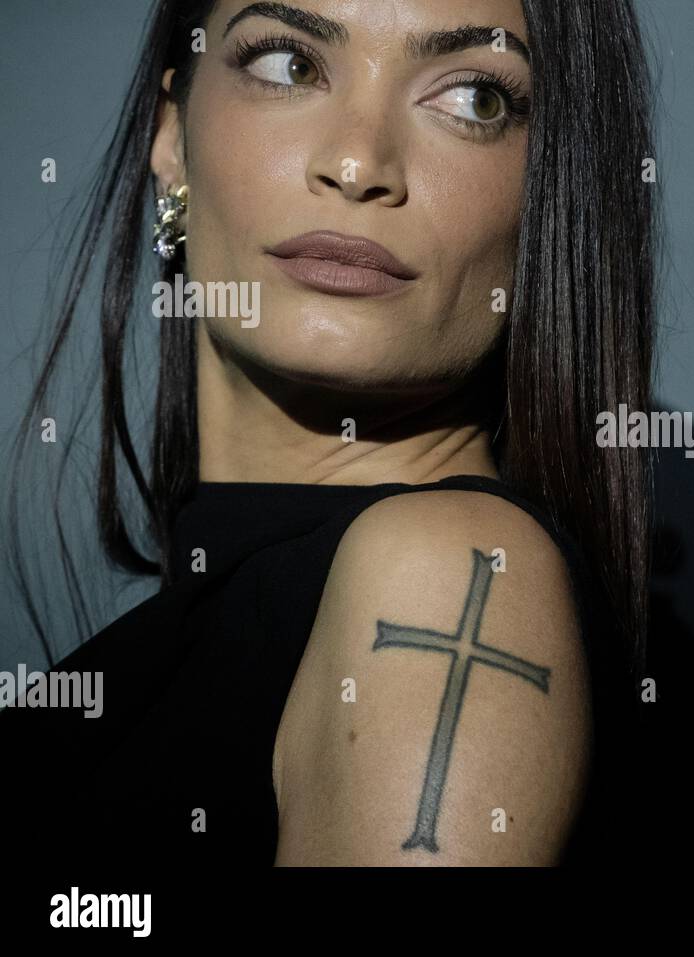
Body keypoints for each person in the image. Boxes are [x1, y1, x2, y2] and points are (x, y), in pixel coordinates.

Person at [1, 0, 657, 867]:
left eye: (474, 98)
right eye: (289, 65)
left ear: (553, 185)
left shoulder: (447, 572)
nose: (358, 164)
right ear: (172, 138)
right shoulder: (185, 637)